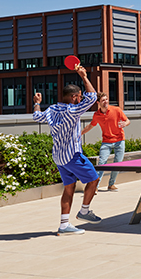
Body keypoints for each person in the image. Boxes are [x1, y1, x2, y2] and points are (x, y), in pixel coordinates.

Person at [32, 65, 101, 235]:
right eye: (78, 97)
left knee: (69, 188)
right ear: (73, 97)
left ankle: (64, 225)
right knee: (93, 180)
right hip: (72, 155)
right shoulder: (72, 111)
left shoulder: (52, 109)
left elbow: (36, 117)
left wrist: (37, 103)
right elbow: (92, 97)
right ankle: (84, 211)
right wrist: (84, 76)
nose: (80, 99)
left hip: (59, 157)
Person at [81, 92, 130, 192]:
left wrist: (125, 123)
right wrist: (80, 134)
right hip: (106, 141)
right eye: (103, 100)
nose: (106, 102)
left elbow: (128, 121)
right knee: (102, 162)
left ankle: (111, 184)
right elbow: (90, 126)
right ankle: (95, 187)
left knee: (118, 163)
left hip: (119, 140)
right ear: (98, 102)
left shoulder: (116, 110)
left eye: (106, 99)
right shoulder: (96, 115)